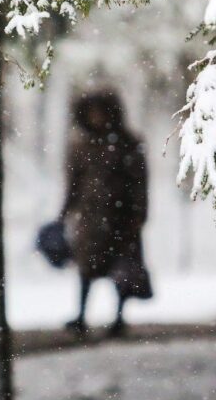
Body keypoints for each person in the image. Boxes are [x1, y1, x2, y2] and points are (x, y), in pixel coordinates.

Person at [59, 90, 152, 336]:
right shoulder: (81, 145)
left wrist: (138, 215)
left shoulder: (128, 143)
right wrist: (64, 213)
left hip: (122, 218)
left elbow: (139, 183)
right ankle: (81, 316)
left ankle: (119, 319)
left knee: (122, 272)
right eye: (91, 113)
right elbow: (73, 184)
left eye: (100, 112)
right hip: (90, 220)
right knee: (86, 270)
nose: (96, 117)